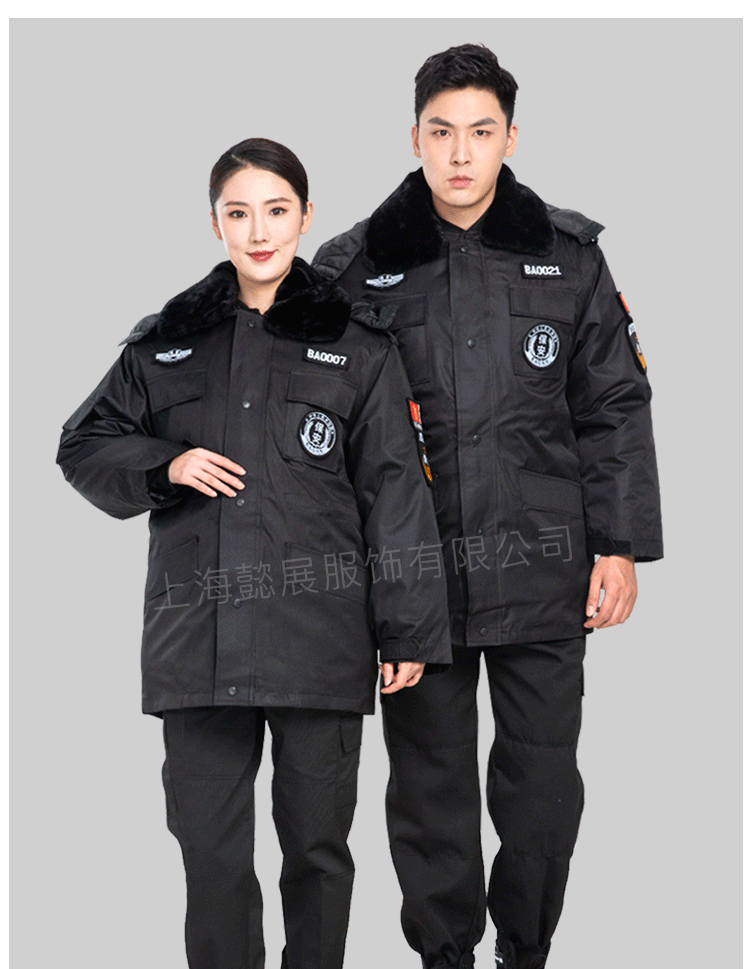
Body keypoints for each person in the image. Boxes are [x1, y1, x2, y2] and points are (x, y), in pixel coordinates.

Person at [57, 137, 451, 969]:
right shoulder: (165, 343)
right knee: (211, 857)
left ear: (305, 216)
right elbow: (83, 443)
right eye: (238, 213)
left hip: (319, 642)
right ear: (216, 224)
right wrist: (165, 463)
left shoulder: (358, 346)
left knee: (317, 854)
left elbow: (395, 494)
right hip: (197, 646)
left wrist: (409, 629)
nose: (259, 230)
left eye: (276, 210)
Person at [313, 45, 663, 969]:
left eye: (480, 131)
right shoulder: (352, 267)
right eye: (441, 132)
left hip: (544, 569)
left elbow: (613, 405)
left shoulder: (567, 257)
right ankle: (444, 956)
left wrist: (618, 545)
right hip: (413, 581)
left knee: (541, 787)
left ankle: (524, 949)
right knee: (429, 791)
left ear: (511, 137)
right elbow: (320, 430)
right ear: (413, 138)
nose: (460, 153)